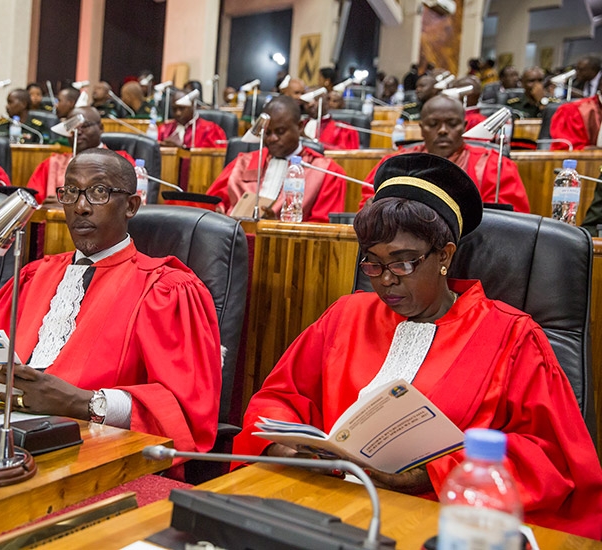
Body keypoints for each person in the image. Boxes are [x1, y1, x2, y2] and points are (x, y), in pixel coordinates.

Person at [235, 152, 602, 539]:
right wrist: (281, 447)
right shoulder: (346, 315)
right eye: (373, 263)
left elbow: (550, 457)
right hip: (328, 507)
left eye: (403, 262)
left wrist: (435, 471)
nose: (386, 280)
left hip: (436, 522)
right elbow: (279, 399)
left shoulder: (511, 336)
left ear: (445, 255)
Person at [0, 148, 222, 458]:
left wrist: (82, 402)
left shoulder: (166, 289)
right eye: (70, 192)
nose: (81, 207)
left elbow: (182, 410)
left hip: (99, 454)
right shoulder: (33, 275)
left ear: (131, 206)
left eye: (98, 192)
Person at [359, 95, 530, 213]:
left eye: (452, 124)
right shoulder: (395, 164)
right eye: (433, 124)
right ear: (422, 129)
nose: (442, 131)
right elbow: (366, 206)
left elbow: (510, 226)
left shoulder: (494, 166)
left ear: (464, 127)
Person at [207, 95, 347, 221]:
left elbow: (322, 230)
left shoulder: (326, 171)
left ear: (299, 127)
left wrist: (277, 228)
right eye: (267, 133)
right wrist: (219, 212)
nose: (272, 139)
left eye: (280, 131)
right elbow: (211, 203)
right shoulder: (243, 163)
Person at [26, 106, 134, 203]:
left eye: (84, 126)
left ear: (101, 128)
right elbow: (32, 204)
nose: (78, 132)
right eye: (72, 127)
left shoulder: (120, 161)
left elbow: (126, 203)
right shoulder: (51, 164)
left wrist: (69, 204)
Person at [157, 91, 227, 149]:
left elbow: (216, 157)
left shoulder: (210, 129)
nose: (178, 113)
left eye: (182, 108)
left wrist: (181, 151)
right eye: (174, 109)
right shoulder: (164, 129)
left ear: (193, 106)